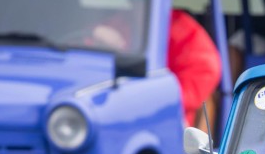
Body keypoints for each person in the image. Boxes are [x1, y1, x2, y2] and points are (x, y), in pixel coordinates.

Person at [89, 7, 221, 127]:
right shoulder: (117, 24)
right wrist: (97, 40)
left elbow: (204, 71)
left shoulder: (181, 28)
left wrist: (149, 101)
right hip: (108, 111)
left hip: (166, 120)